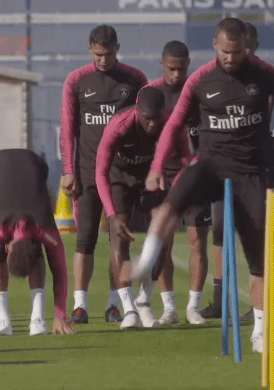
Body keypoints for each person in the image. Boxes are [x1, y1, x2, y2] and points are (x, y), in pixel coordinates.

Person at [133, 18, 274, 353]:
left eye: (238, 52)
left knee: (261, 258)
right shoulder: (200, 80)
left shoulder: (263, 73)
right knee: (176, 194)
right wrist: (156, 166)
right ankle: (147, 258)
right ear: (215, 44)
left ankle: (260, 330)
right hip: (211, 164)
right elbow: (174, 122)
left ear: (245, 49)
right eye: (225, 52)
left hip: (252, 171)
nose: (231, 59)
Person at [59, 25, 147, 324]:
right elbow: (69, 129)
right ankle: (80, 306)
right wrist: (68, 171)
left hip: (120, 174)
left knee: (118, 240)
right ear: (89, 49)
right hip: (85, 174)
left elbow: (145, 125)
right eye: (97, 54)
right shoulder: (77, 80)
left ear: (117, 48)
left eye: (108, 54)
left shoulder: (135, 80)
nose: (102, 60)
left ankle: (114, 304)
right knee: (84, 239)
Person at [95, 87, 192, 329]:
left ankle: (143, 301)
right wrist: (111, 215)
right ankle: (128, 310)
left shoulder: (172, 124)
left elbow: (186, 161)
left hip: (152, 178)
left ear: (163, 113)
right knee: (119, 241)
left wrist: (177, 192)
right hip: (119, 179)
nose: (151, 124)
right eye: (146, 117)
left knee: (161, 244)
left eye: (155, 118)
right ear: (137, 111)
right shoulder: (119, 126)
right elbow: (100, 172)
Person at [202, 22, 274, 322]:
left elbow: (260, 115)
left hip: (257, 160)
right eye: (232, 48)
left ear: (254, 45)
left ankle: (263, 302)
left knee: (262, 229)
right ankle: (221, 300)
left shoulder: (264, 76)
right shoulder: (214, 76)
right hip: (224, 159)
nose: (238, 53)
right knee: (220, 229)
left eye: (245, 46)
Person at [140, 41, 210, 326]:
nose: (176, 74)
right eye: (171, 69)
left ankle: (193, 306)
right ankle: (169, 308)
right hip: (163, 177)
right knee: (163, 244)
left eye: (181, 69)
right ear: (161, 64)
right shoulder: (151, 94)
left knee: (197, 242)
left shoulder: (199, 93)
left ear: (189, 65)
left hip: (196, 174)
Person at [0, 149, 73, 337]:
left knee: (36, 253)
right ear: (9, 248)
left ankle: (38, 319)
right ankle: (2, 318)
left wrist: (60, 315)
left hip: (35, 165)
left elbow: (60, 271)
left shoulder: (45, 229)